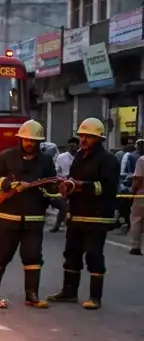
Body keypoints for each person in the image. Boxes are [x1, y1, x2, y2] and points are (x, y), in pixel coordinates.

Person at [48, 118, 119, 309]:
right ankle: (69, 291)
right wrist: (67, 187)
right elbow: (73, 180)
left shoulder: (108, 160)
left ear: (99, 139)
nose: (84, 140)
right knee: (71, 254)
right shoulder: (79, 157)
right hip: (77, 213)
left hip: (97, 216)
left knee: (94, 255)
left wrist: (82, 186)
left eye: (89, 137)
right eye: (82, 136)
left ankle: (95, 297)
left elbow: (108, 188)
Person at [0, 120, 56, 308]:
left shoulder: (46, 161)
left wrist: (56, 192)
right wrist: (8, 184)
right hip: (8, 216)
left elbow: (51, 185)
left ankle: (32, 295)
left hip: (34, 217)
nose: (29, 143)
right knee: (2, 254)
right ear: (20, 139)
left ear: (39, 142)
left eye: (33, 141)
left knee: (33, 255)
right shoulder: (6, 157)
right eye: (26, 140)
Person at [52, 137, 78, 232]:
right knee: (62, 204)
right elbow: (56, 170)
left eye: (73, 146)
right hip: (64, 184)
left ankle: (71, 224)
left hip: (77, 184)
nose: (72, 148)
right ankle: (58, 225)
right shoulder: (61, 157)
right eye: (70, 146)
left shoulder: (81, 156)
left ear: (77, 146)